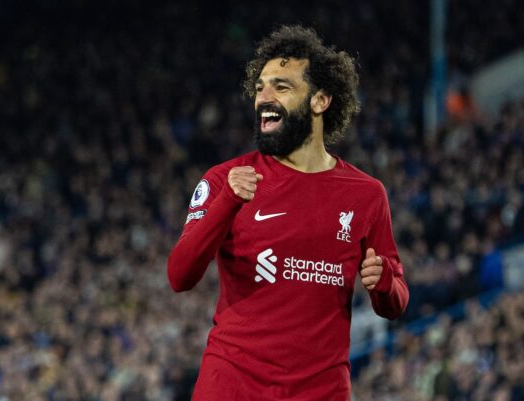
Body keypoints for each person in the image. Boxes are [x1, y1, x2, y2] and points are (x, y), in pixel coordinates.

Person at [167, 25, 409, 401]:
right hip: (232, 387)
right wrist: (228, 200)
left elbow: (395, 302)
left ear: (320, 100)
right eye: (260, 87)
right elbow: (180, 275)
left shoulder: (367, 195)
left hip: (320, 392)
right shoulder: (224, 180)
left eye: (281, 87)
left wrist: (384, 285)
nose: (264, 97)